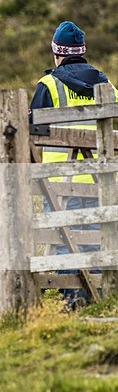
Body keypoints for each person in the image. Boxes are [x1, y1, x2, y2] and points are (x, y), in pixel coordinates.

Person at [29, 20, 118, 309]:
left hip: (58, 178)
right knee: (94, 236)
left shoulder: (49, 85)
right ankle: (98, 297)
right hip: (98, 177)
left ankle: (75, 300)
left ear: (57, 52)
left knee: (65, 238)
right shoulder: (105, 83)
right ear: (82, 51)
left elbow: (33, 130)